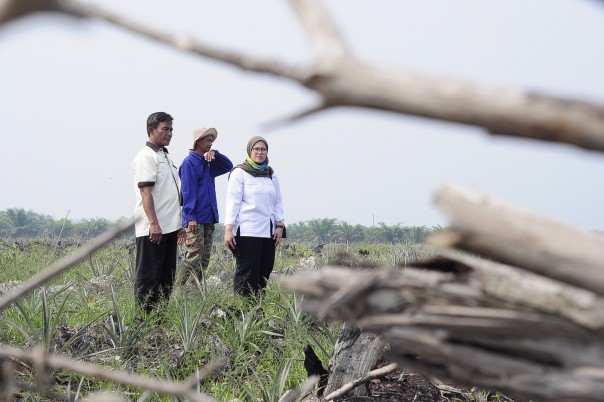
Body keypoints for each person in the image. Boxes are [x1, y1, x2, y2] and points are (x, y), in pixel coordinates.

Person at [132, 111, 185, 313]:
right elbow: (146, 192)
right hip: (153, 229)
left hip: (169, 228)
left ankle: (159, 320)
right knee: (148, 276)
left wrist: (178, 225)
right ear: (151, 130)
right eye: (165, 129)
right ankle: (143, 320)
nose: (170, 133)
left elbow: (170, 195)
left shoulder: (164, 156)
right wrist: (153, 223)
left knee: (166, 277)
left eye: (171, 129)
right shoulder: (146, 157)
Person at [224, 136, 285, 298]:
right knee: (247, 272)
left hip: (268, 232)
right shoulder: (240, 173)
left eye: (263, 149)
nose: (260, 152)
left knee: (265, 270)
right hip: (247, 231)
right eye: (256, 149)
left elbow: (278, 201)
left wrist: (280, 225)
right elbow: (233, 202)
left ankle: (258, 305)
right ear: (249, 151)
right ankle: (241, 307)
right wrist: (228, 229)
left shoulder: (270, 174)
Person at [177, 127, 233, 285]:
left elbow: (228, 166)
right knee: (194, 255)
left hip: (209, 217)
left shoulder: (209, 162)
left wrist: (216, 153)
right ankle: (176, 290)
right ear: (198, 141)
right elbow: (187, 191)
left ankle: (194, 291)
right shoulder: (189, 163)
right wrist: (190, 217)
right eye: (208, 141)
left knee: (204, 258)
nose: (210, 143)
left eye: (212, 141)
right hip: (195, 219)